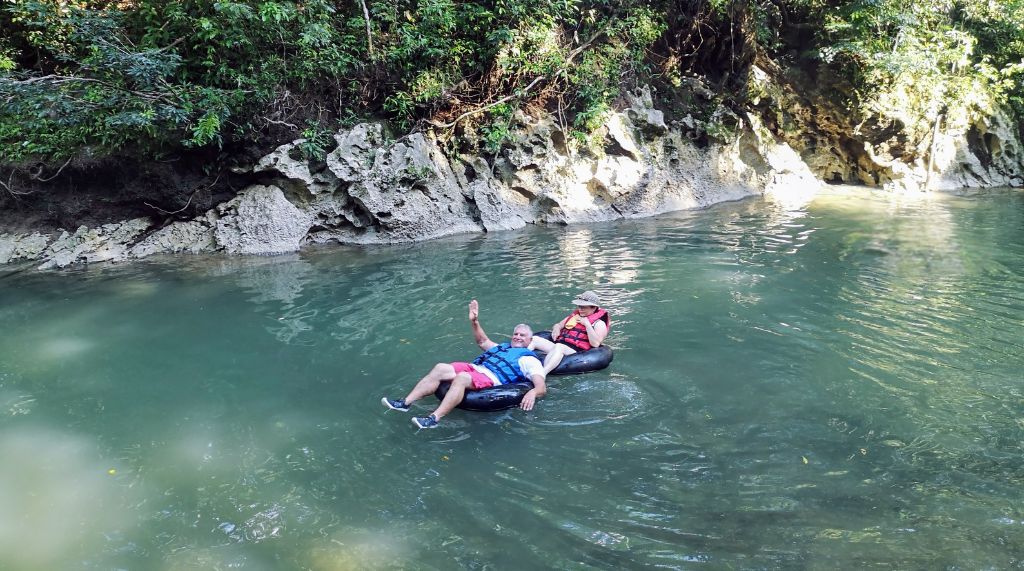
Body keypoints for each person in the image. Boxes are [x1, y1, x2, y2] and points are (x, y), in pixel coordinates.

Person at [381, 300, 547, 429]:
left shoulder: (529, 360)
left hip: (490, 378)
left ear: (530, 340)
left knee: (461, 377)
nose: (517, 337)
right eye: (515, 334)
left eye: (522, 335)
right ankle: (405, 403)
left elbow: (541, 387)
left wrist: (532, 393)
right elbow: (482, 340)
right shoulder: (502, 348)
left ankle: (433, 419)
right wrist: (474, 321)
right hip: (476, 368)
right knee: (440, 367)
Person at [530, 290, 610, 375]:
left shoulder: (599, 324)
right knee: (534, 339)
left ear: (593, 308)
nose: (580, 309)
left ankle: (542, 374)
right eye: (579, 306)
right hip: (559, 345)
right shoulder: (575, 317)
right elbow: (559, 325)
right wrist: (556, 329)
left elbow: (595, 344)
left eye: (584, 307)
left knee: (559, 347)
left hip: (576, 352)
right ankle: (517, 359)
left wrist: (587, 324)